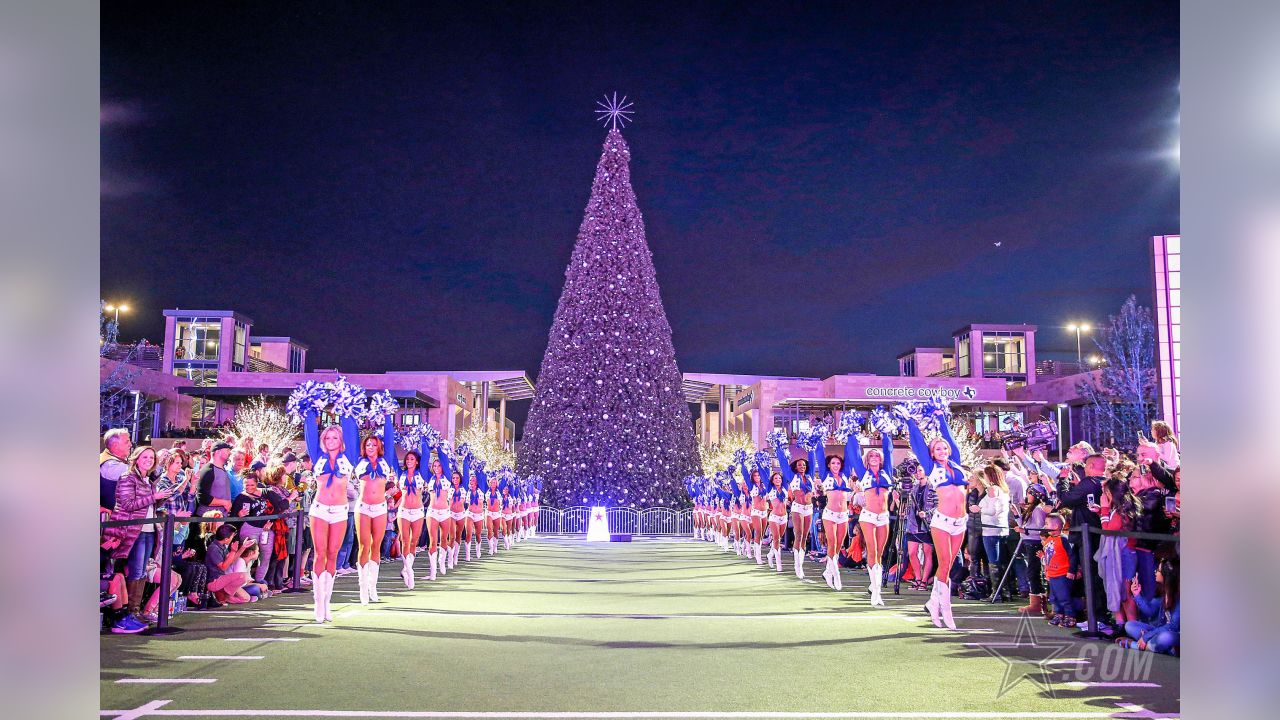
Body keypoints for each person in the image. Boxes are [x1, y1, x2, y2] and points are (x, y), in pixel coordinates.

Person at [902, 406, 968, 631]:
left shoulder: (957, 462)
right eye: (937, 448)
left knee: (948, 566)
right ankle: (945, 609)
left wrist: (940, 416)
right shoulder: (931, 467)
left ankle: (932, 602)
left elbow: (948, 436)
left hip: (961, 522)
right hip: (941, 522)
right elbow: (919, 443)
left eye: (944, 447)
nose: (942, 450)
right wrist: (911, 421)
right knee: (945, 562)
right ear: (931, 453)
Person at [104, 446, 175, 633]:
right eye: (145, 457)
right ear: (136, 458)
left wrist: (161, 499)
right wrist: (155, 496)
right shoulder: (128, 478)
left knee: (142, 571)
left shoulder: (147, 480)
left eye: (152, 457)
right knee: (135, 571)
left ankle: (135, 611)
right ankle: (127, 614)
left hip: (149, 530)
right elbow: (127, 504)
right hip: (134, 531)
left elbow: (149, 504)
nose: (149, 460)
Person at [303, 412, 360, 623]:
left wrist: (346, 407)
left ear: (341, 440)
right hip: (319, 509)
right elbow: (309, 430)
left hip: (339, 511)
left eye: (335, 437)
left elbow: (353, 432)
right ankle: (317, 603)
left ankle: (327, 602)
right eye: (327, 437)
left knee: (333, 554)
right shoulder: (318, 456)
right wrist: (309, 408)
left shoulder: (349, 457)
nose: (331, 440)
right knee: (320, 553)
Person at [847, 429, 896, 605]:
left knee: (880, 553)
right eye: (871, 455)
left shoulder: (887, 471)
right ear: (867, 459)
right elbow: (853, 455)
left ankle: (874, 585)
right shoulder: (863, 473)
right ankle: (876, 591)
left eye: (877, 455)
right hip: (867, 516)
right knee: (873, 550)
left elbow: (889, 450)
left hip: (883, 516)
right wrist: (851, 434)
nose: (874, 456)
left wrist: (886, 432)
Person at [353, 420, 395, 605]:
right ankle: (362, 589)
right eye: (368, 444)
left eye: (374, 444)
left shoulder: (386, 462)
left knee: (376, 546)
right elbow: (351, 434)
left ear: (379, 447)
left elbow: (390, 436)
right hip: (362, 508)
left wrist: (387, 416)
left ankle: (373, 587)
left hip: (380, 508)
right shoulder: (358, 460)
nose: (370, 447)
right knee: (364, 546)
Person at [777, 436, 820, 580]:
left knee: (805, 535)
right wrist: (778, 447)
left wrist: (812, 447)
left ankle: (800, 560)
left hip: (809, 508)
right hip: (797, 508)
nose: (802, 466)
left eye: (804, 465)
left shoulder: (810, 476)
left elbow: (813, 460)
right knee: (799, 533)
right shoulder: (792, 476)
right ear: (795, 466)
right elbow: (783, 464)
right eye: (799, 465)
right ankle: (797, 565)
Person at [976, 464, 1011, 601]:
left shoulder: (992, 489)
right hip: (1001, 528)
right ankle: (1005, 592)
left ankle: (996, 593)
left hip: (991, 529)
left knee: (994, 562)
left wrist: (978, 509)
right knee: (1001, 561)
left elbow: (992, 510)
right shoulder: (1003, 490)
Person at [903, 463, 937, 591]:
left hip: (926, 525)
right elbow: (910, 506)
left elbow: (938, 505)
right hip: (913, 524)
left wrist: (927, 514)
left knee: (927, 552)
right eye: (916, 471)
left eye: (920, 470)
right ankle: (918, 578)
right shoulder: (914, 488)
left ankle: (924, 581)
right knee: (912, 553)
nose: (917, 473)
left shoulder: (933, 487)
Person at [396, 450, 426, 587]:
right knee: (405, 540)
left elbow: (426, 454)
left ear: (417, 461)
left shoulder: (422, 473)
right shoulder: (400, 473)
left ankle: (406, 569)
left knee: (414, 541)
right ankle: (409, 571)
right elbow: (391, 454)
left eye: (412, 459)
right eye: (407, 459)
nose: (408, 461)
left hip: (418, 511)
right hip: (403, 511)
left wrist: (424, 437)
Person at [204, 524, 253, 605]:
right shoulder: (214, 548)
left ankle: (224, 596)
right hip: (214, 581)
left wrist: (243, 547)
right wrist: (233, 551)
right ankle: (220, 594)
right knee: (244, 576)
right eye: (232, 536)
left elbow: (231, 561)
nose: (232, 538)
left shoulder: (222, 546)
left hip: (223, 580)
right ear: (226, 539)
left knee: (246, 598)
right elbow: (223, 567)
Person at [1040, 514, 1074, 626]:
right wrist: (1047, 572)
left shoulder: (1064, 539)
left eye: (1047, 524)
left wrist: (1072, 570)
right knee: (1054, 597)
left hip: (1062, 574)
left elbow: (1072, 555)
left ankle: (1070, 616)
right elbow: (1048, 557)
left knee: (1064, 596)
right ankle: (1058, 615)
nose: (1045, 526)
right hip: (1052, 574)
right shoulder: (1048, 540)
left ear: (1055, 526)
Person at [196, 442, 235, 516]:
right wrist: (224, 502)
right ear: (218, 452)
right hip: (208, 519)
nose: (229, 453)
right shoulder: (208, 470)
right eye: (227, 450)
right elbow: (203, 497)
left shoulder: (222, 469)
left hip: (220, 517)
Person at [100, 428, 132, 510]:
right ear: (115, 446)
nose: (130, 445)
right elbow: (138, 474)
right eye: (127, 442)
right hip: (110, 519)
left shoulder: (108, 458)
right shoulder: (111, 464)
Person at [764, 471, 789, 572]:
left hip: (784, 517)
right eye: (775, 478)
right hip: (774, 517)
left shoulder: (785, 488)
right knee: (776, 539)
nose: (778, 480)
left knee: (778, 538)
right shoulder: (770, 489)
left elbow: (786, 473)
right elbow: (764, 475)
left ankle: (770, 554)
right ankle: (779, 564)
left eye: (779, 478)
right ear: (772, 481)